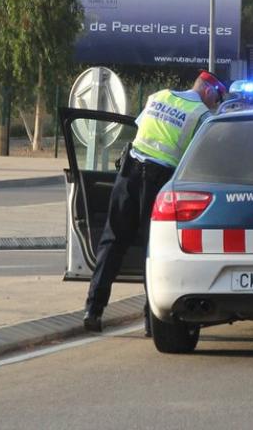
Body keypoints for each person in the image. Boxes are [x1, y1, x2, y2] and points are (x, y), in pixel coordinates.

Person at [83, 71, 227, 333]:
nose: (216, 103)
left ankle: (93, 310)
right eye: (217, 97)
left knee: (112, 241)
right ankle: (153, 321)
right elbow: (197, 157)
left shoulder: (157, 96)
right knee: (155, 250)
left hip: (129, 173)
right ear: (208, 91)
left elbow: (141, 129)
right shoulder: (202, 116)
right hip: (159, 183)